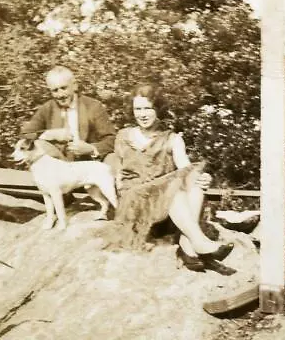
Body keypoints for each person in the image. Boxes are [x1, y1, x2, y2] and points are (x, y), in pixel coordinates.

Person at [108, 83, 234, 272]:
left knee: (194, 180)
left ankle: (187, 243)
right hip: (135, 206)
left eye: (147, 108)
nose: (142, 114)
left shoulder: (172, 139)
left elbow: (185, 169)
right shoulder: (123, 136)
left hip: (163, 209)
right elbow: (116, 173)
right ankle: (197, 242)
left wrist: (202, 178)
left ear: (158, 109)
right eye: (137, 109)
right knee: (172, 188)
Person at [21, 66, 116, 162]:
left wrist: (91, 149)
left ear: (74, 85)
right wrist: (49, 134)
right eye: (55, 90)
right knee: (40, 144)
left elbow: (111, 139)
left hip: (88, 164)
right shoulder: (47, 108)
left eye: (63, 88)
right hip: (58, 165)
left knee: (112, 159)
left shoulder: (93, 106)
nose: (60, 95)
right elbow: (25, 135)